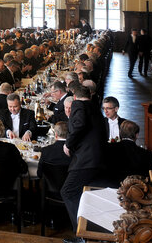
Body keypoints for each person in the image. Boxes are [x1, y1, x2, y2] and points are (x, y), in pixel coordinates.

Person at [61, 85, 106, 235]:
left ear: (74, 97)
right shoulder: (94, 106)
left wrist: (68, 143)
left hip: (87, 159)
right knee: (82, 193)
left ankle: (81, 232)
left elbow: (79, 124)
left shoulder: (79, 104)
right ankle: (88, 229)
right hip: (98, 158)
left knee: (68, 191)